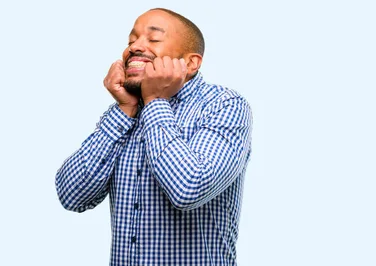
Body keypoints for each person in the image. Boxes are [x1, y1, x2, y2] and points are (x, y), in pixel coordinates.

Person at [55, 8, 252, 266]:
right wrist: (125, 110)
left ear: (191, 63)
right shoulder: (125, 114)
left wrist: (156, 100)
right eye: (131, 40)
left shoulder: (224, 105)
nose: (135, 47)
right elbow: (72, 195)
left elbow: (189, 189)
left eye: (153, 39)